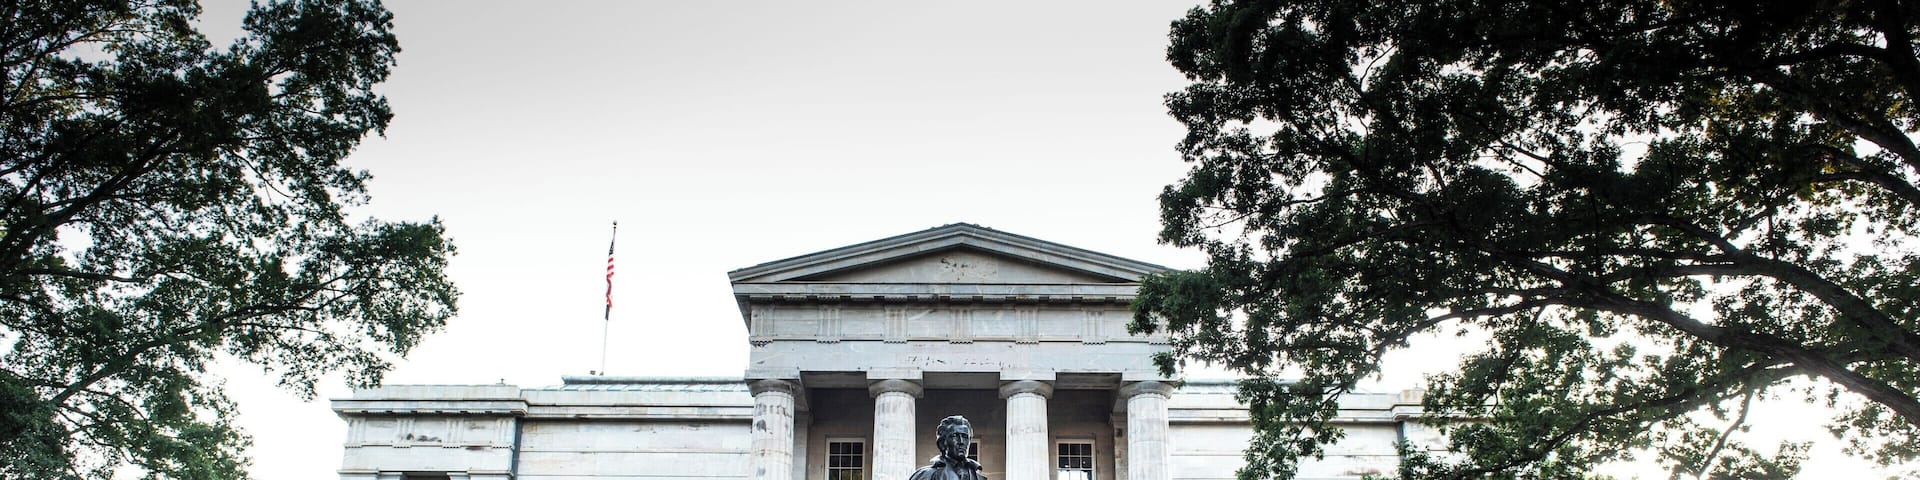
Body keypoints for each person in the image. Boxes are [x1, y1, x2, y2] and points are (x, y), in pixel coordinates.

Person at [907, 415, 986, 480]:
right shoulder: (925, 476)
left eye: (965, 437)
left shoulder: (978, 477)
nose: (961, 441)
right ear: (942, 443)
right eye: (954, 436)